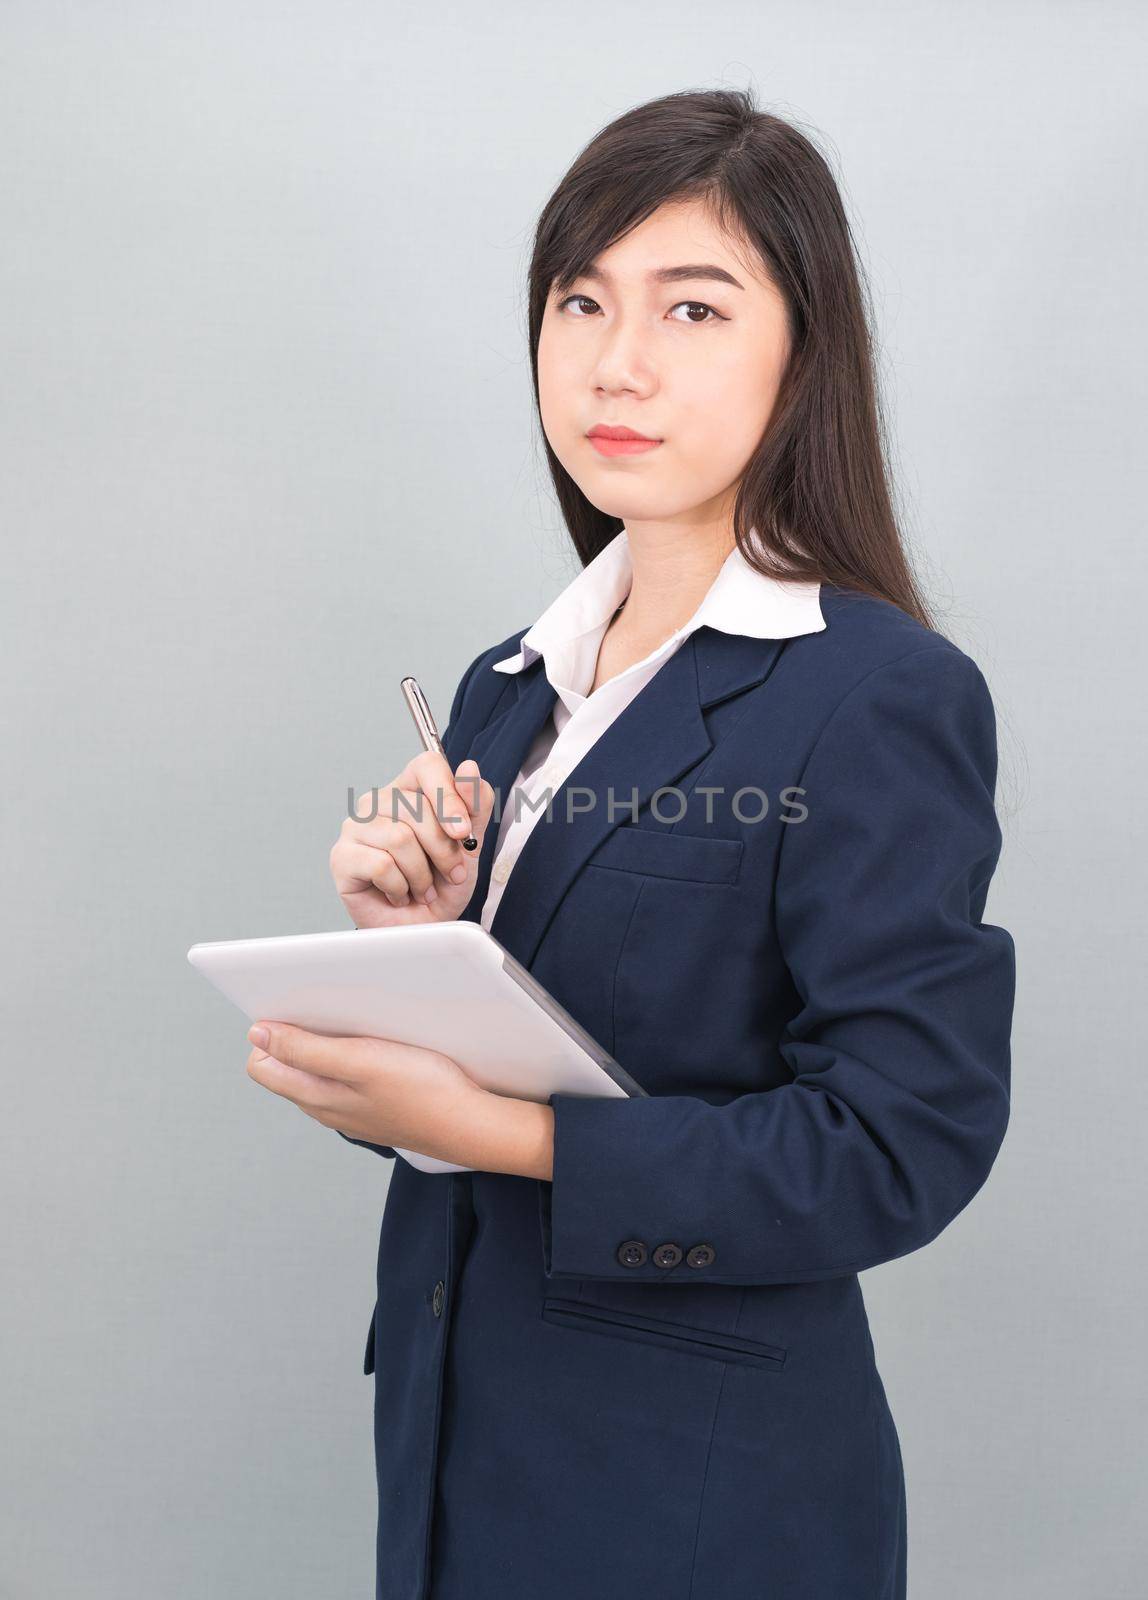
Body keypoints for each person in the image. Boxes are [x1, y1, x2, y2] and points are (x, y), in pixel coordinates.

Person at [244, 88, 1015, 1600]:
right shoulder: (508, 683)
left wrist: (513, 1139)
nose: (617, 360)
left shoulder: (880, 696)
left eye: (695, 308)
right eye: (580, 299)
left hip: (702, 1500)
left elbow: (898, 1144)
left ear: (805, 352)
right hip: (460, 1458)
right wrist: (411, 948)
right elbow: (503, 1053)